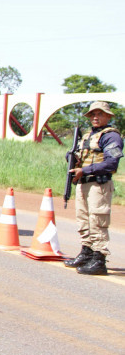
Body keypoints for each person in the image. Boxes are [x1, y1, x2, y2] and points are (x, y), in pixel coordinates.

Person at [63, 101, 123, 276]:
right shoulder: (89, 136)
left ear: (108, 116)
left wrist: (85, 170)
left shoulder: (111, 136)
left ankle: (99, 259)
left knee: (97, 220)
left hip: (99, 183)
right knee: (83, 220)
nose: (95, 117)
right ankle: (87, 252)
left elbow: (112, 163)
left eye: (100, 114)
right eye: (93, 115)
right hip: (84, 182)